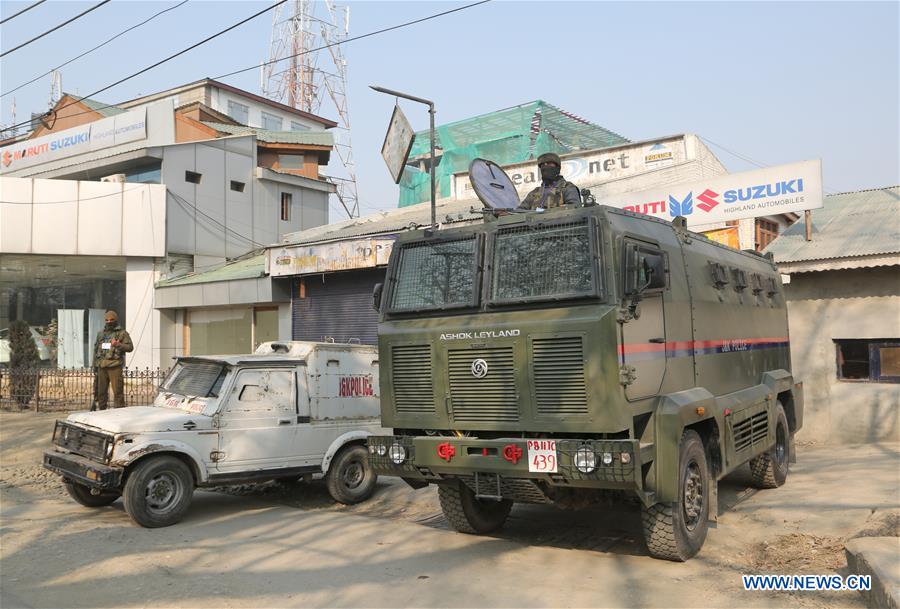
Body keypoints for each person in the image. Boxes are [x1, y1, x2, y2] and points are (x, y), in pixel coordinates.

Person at [92, 310, 133, 409]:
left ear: (116, 320)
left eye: (111, 320)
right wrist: (94, 366)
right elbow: (96, 349)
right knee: (101, 393)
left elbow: (130, 347)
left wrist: (118, 344)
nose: (109, 322)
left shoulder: (122, 333)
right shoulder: (100, 334)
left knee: (118, 392)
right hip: (101, 366)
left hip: (115, 366)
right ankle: (102, 413)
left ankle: (118, 414)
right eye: (107, 320)